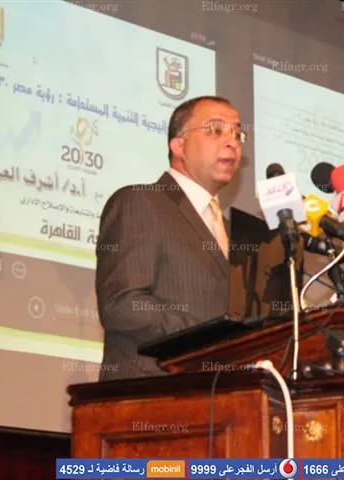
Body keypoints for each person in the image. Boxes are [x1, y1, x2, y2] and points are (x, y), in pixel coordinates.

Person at [95, 96, 245, 380]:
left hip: (221, 396)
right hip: (153, 392)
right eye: (216, 130)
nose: (232, 142)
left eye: (237, 134)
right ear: (179, 145)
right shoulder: (140, 202)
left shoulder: (233, 231)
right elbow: (123, 305)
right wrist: (209, 337)